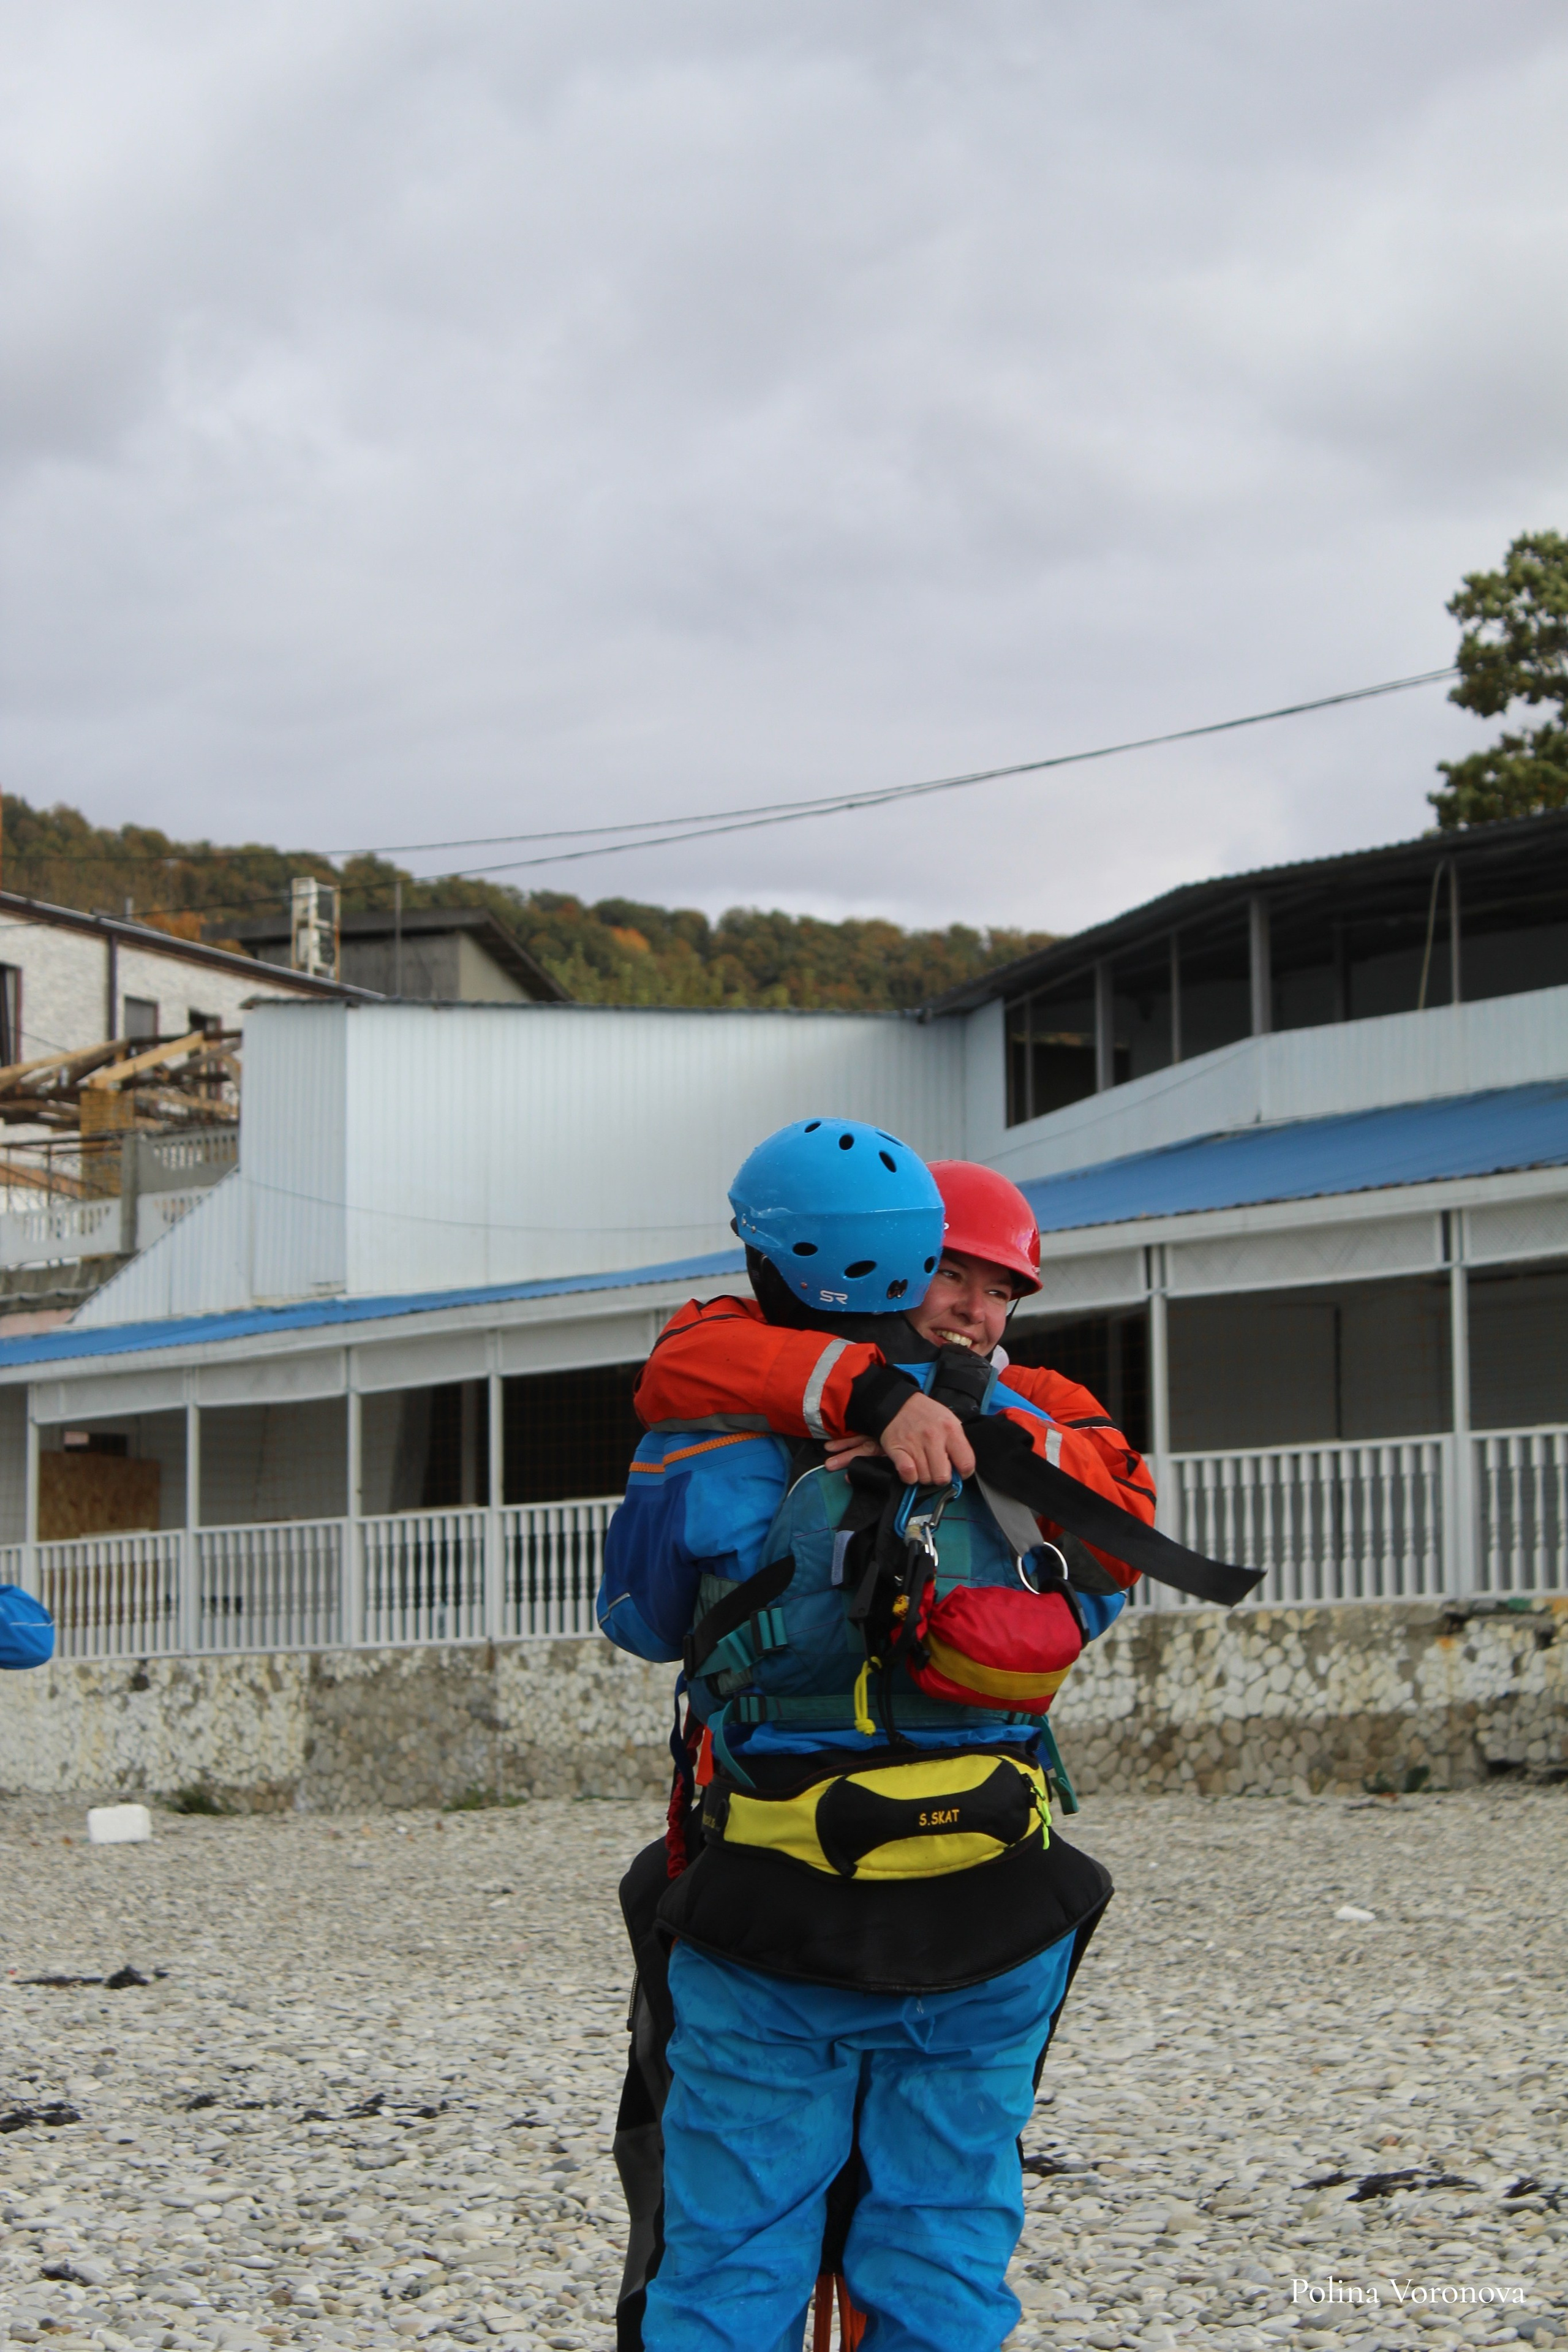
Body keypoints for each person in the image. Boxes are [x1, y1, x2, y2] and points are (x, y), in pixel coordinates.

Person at [597, 1121, 1254, 2352]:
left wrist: (951, 1430)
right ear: (896, 1266)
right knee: (944, 2249)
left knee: (733, 2259)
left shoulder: (736, 1427)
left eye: (999, 1290)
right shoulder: (984, 1433)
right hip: (998, 1911)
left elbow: (641, 1619)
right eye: (954, 1275)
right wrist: (903, 1419)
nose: (971, 1310)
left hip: (766, 1913)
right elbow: (1102, 1587)